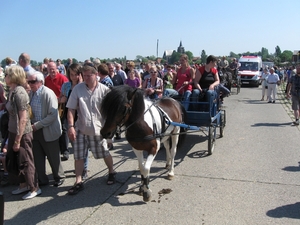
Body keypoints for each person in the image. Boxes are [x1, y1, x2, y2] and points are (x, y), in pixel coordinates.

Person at [66, 64, 116, 195]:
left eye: (90, 75)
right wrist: (71, 126)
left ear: (96, 75)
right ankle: (78, 180)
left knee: (104, 152)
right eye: (85, 75)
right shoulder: (78, 89)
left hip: (98, 129)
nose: (87, 78)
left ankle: (111, 171)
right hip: (81, 128)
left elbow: (111, 111)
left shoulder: (105, 90)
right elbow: (71, 109)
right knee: (78, 156)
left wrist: (110, 129)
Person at [5, 65, 40, 200]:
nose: (6, 77)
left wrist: (18, 139)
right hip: (13, 130)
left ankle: (34, 187)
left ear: (14, 76)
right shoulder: (12, 91)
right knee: (17, 160)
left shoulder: (20, 93)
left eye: (8, 74)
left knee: (26, 160)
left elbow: (23, 117)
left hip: (23, 133)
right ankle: (23, 184)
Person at [27, 70, 65, 187]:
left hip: (47, 129)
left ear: (41, 82)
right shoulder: (31, 94)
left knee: (53, 156)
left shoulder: (48, 93)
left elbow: (53, 115)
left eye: (33, 82)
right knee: (38, 156)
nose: (30, 84)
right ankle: (42, 180)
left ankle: (59, 177)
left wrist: (37, 125)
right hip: (35, 130)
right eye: (29, 82)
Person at [45, 62, 69, 160]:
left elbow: (67, 92)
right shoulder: (46, 79)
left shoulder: (63, 78)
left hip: (61, 106)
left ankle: (65, 150)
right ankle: (56, 149)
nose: (52, 71)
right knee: (52, 127)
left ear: (57, 68)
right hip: (50, 106)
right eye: (50, 69)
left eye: (53, 69)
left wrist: (59, 99)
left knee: (62, 128)